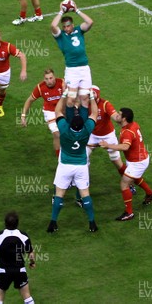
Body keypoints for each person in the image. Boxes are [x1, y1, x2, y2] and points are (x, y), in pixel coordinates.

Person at [47, 89, 99, 233]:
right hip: (81, 165)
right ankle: (92, 223)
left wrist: (63, 95)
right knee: (85, 194)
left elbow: (58, 112)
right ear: (82, 124)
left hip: (65, 165)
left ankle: (53, 222)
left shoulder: (64, 129)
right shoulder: (86, 130)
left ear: (71, 124)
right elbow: (94, 113)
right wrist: (93, 97)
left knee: (59, 194)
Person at [99, 108, 152, 221]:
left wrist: (109, 146)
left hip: (137, 162)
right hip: (139, 158)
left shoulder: (127, 132)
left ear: (124, 118)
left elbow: (125, 146)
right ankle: (150, 194)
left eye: (119, 115)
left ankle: (129, 213)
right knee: (134, 178)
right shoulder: (133, 124)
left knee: (124, 184)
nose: (117, 116)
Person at [0, 212, 36, 304]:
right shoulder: (23, 235)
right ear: (17, 223)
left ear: (5, 223)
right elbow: (31, 254)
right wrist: (32, 263)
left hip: (3, 271)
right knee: (27, 297)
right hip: (19, 271)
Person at [50, 0, 94, 108]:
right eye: (64, 26)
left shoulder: (79, 30)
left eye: (68, 26)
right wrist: (61, 11)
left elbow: (90, 22)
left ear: (72, 25)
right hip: (72, 69)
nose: (66, 28)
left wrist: (77, 10)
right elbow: (53, 25)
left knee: (85, 97)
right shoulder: (61, 35)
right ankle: (70, 122)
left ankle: (83, 122)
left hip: (84, 68)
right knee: (71, 98)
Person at [20, 69, 65, 157]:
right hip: (50, 112)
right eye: (46, 79)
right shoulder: (40, 87)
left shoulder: (62, 83)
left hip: (63, 110)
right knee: (57, 134)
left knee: (68, 133)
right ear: (44, 79)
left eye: (51, 78)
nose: (49, 81)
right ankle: (60, 159)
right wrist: (23, 115)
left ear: (54, 76)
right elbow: (29, 100)